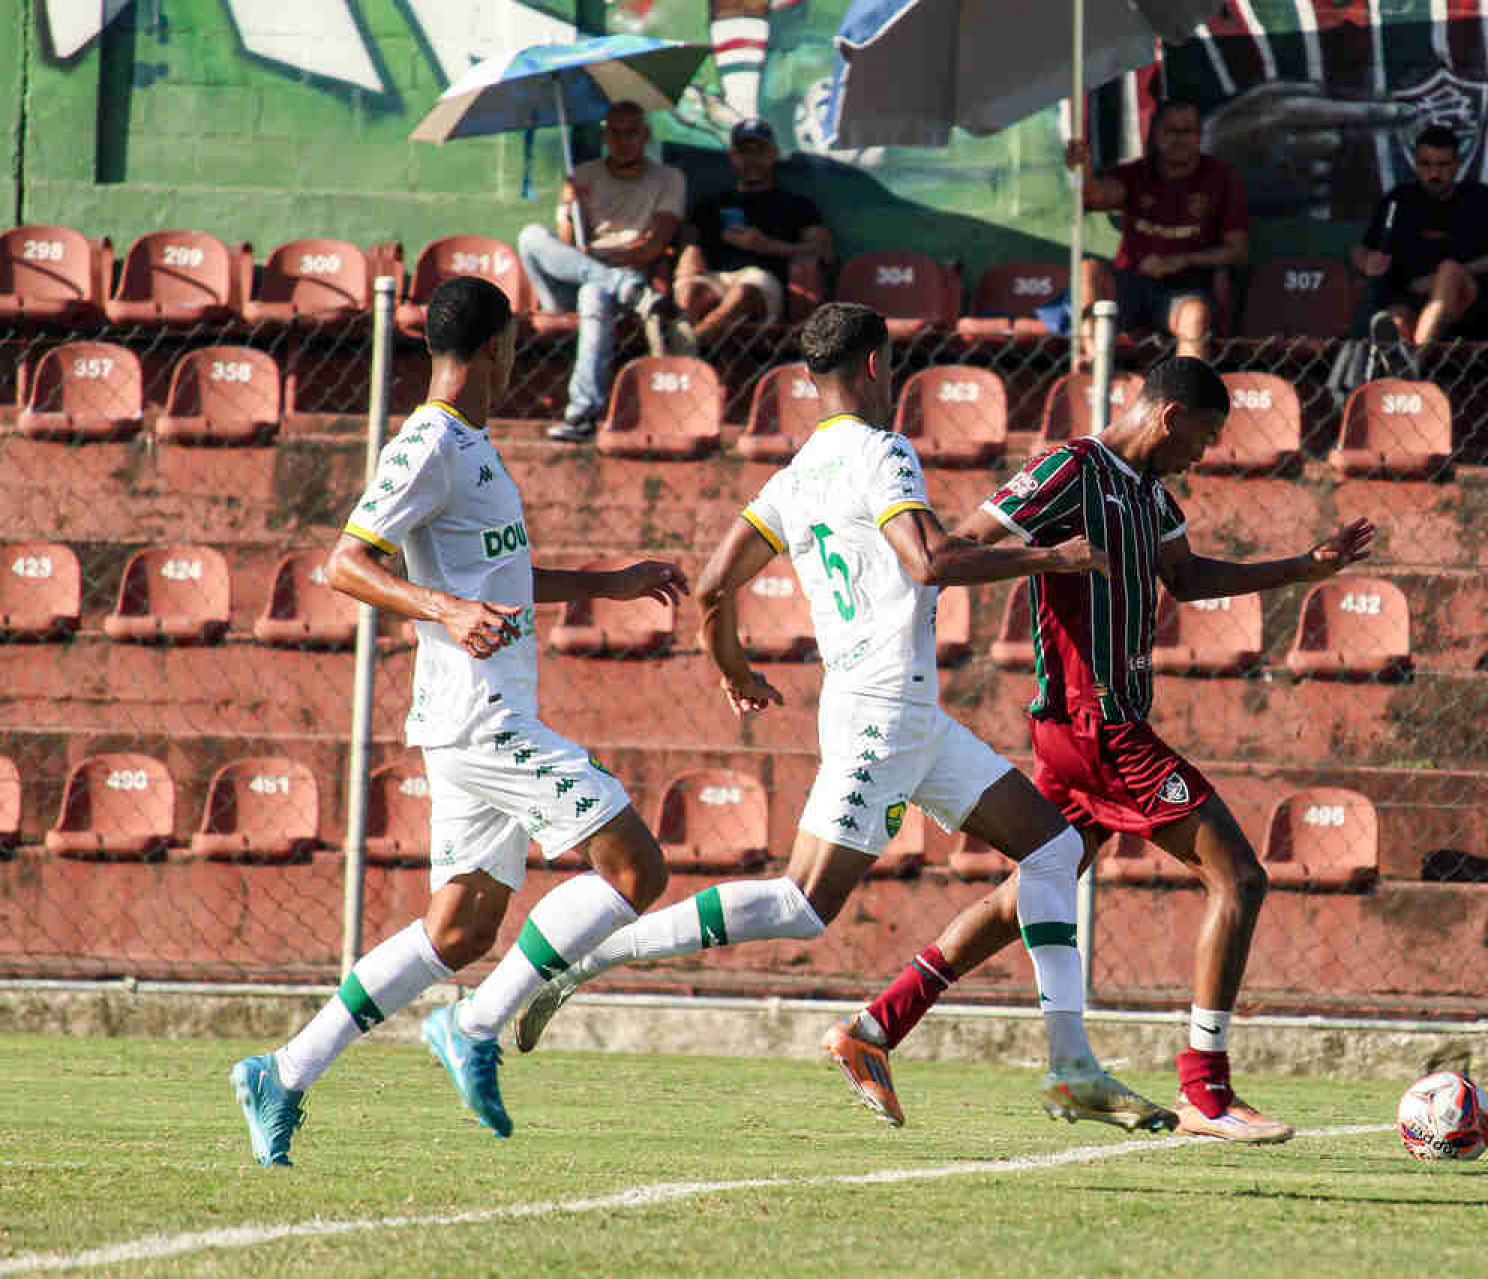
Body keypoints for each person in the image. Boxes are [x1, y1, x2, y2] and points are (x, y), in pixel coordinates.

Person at [512, 302, 1173, 1133]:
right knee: (801, 904)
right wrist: (1053, 555)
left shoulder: (792, 478)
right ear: (873, 367)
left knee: (1054, 846)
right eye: (891, 367)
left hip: (904, 712)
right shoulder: (881, 451)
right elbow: (927, 560)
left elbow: (714, 585)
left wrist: (735, 669)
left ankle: (1072, 1065)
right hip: (881, 712)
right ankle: (592, 954)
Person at [828, 357, 1375, 1143]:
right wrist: (1048, 560)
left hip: (1088, 731)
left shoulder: (1153, 495)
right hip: (1098, 726)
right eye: (1206, 436)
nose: (1206, 454)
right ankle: (1207, 1091)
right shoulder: (1070, 470)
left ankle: (876, 1025)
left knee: (1037, 888)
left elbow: (1184, 578)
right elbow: (957, 550)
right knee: (1240, 875)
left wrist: (1304, 567)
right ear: (1169, 416)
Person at [229, 277, 688, 1167]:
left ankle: (282, 1071)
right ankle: (475, 1025)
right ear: (498, 349)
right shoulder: (431, 441)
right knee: (637, 865)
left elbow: (503, 580)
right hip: (481, 718)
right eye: (516, 345)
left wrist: (609, 583)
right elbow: (343, 563)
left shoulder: (474, 445)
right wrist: (439, 607)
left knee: (461, 929)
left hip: (482, 715)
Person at [516, 102, 694, 443]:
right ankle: (623, 286)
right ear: (604, 136)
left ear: (646, 136)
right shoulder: (582, 176)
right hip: (575, 285)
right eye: (615, 132)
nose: (623, 140)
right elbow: (566, 251)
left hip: (619, 285)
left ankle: (582, 414)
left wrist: (604, 257)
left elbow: (654, 245)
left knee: (594, 293)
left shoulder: (670, 180)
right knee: (530, 236)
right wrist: (572, 210)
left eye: (632, 133)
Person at [1068, 100, 1249, 361]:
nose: (1179, 139)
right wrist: (1083, 169)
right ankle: (1095, 371)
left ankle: (1185, 396)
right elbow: (1095, 197)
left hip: (1185, 291)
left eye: (1187, 131)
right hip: (1133, 285)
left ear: (1200, 136)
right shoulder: (1138, 173)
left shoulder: (1222, 178)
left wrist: (1182, 260)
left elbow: (1238, 252)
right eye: (1170, 131)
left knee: (1195, 316)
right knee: (1088, 271)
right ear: (1156, 136)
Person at [1346, 124, 1488, 376]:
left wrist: (1442, 277)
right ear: (1416, 164)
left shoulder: (1479, 199)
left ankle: (1415, 364)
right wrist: (1367, 262)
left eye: (1442, 165)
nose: (1434, 173)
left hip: (1462, 302)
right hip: (1409, 298)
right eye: (1426, 165)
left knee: (1448, 270)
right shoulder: (1399, 199)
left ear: (1457, 164)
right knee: (1394, 322)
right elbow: (1360, 250)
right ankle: (1402, 369)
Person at [675, 119, 833, 346]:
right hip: (716, 278)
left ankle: (685, 347)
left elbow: (823, 251)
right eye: (744, 152)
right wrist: (688, 256)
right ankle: (689, 348)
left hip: (763, 283)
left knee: (742, 293)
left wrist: (766, 245)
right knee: (693, 292)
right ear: (732, 156)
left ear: (774, 154)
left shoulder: (796, 205)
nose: (751, 159)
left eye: (759, 151)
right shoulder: (710, 204)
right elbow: (688, 242)